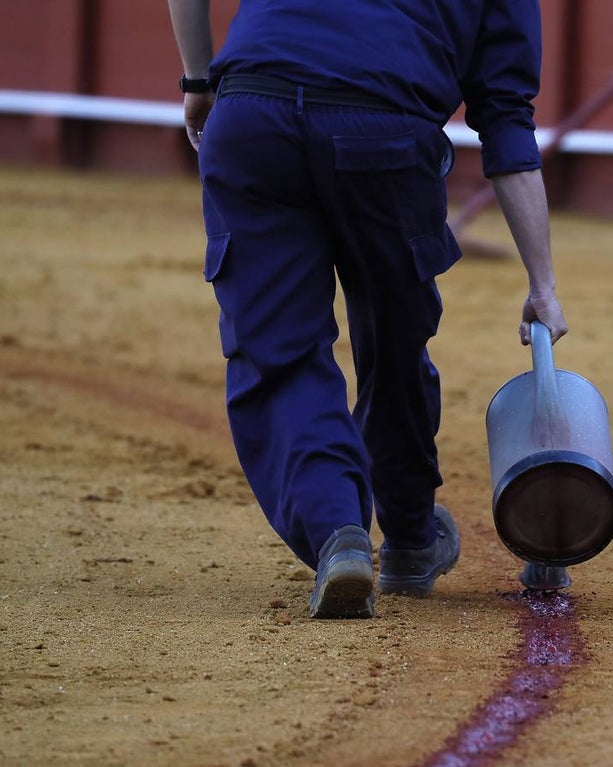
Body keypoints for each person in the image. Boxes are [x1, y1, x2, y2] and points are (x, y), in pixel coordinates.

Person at [167, 0, 568, 619]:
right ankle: (408, 539)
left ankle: (338, 533)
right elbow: (506, 121)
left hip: (254, 115)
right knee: (393, 338)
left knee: (280, 352)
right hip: (383, 133)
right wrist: (542, 283)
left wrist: (197, 80)